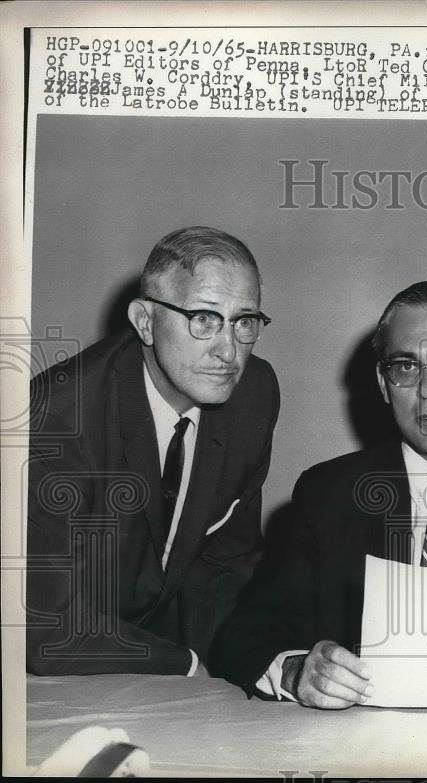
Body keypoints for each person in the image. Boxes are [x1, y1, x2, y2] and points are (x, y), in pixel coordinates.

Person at [213, 281, 427, 720]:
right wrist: (296, 669)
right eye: (405, 368)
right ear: (383, 383)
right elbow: (245, 635)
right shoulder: (328, 494)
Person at [27, 226, 280, 676]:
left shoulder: (254, 395)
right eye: (204, 318)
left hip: (162, 668)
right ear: (145, 321)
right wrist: (185, 664)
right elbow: (46, 625)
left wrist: (252, 663)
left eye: (245, 322)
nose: (228, 350)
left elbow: (229, 565)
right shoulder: (58, 417)